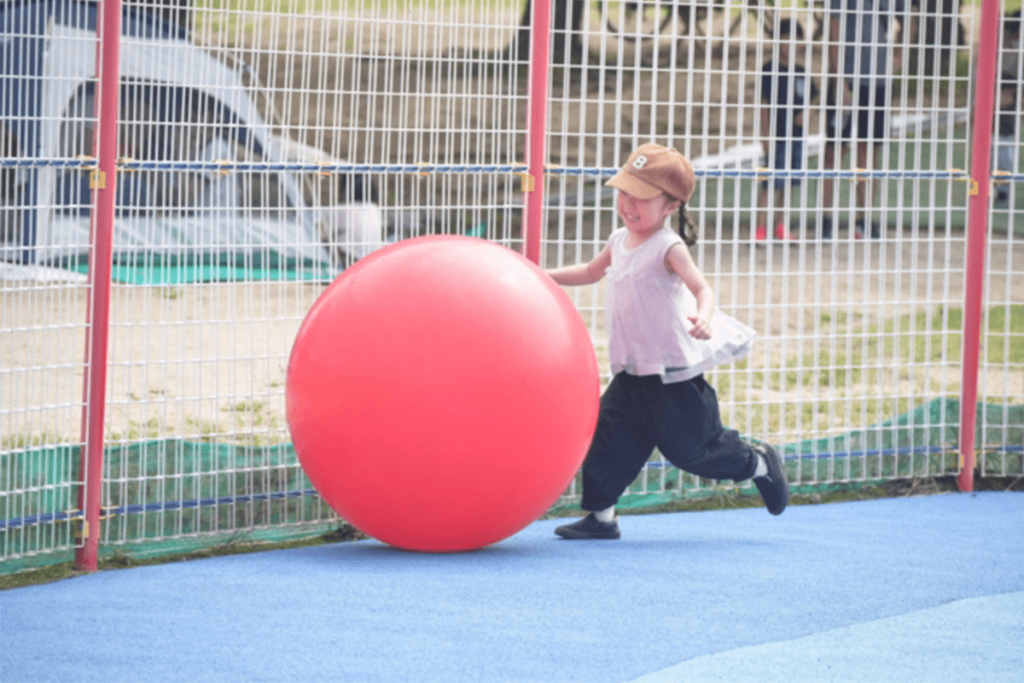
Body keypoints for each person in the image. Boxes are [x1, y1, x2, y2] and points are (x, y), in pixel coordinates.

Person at [546, 144, 790, 540]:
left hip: (673, 377)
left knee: (693, 451)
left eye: (641, 197)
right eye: (623, 191)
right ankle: (601, 519)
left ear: (671, 206)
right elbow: (591, 272)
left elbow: (702, 288)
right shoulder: (618, 239)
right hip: (631, 372)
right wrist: (544, 276)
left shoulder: (667, 247)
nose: (628, 204)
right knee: (609, 442)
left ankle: (758, 463)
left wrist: (704, 316)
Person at [820, 0, 906, 239]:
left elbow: (908, 21)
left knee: (868, 151)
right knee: (835, 149)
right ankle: (825, 220)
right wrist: (840, 80)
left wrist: (899, 54)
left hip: (877, 83)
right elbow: (834, 34)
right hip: (847, 78)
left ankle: (864, 220)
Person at [757, 18, 819, 242]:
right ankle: (760, 228)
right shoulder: (769, 69)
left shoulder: (802, 71)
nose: (789, 44)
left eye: (795, 40)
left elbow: (815, 99)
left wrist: (808, 115)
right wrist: (766, 136)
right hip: (777, 136)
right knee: (769, 183)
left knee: (790, 182)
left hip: (797, 138)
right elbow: (763, 105)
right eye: (785, 39)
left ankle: (780, 227)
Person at [995, 10, 1021, 206]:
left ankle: (1004, 192)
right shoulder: (997, 48)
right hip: (990, 111)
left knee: (1005, 157)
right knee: (979, 162)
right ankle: (977, 193)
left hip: (1007, 119)